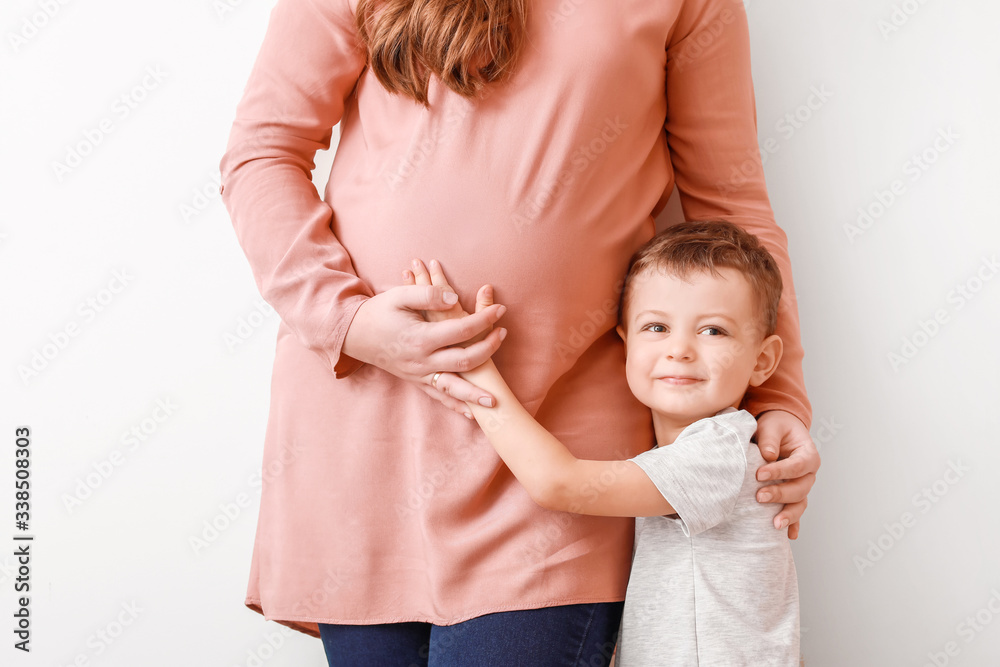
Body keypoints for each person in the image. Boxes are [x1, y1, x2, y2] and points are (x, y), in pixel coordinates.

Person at [218, 0, 821, 664]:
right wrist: (347, 319)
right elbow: (261, 152)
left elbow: (731, 206)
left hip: (561, 442)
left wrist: (775, 396)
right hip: (366, 435)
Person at [402, 218, 800, 665]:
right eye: (657, 328)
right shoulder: (677, 454)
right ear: (624, 343)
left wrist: (474, 366)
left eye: (713, 331)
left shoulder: (719, 453)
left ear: (763, 360)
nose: (680, 349)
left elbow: (559, 483)